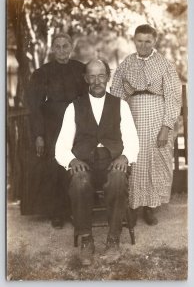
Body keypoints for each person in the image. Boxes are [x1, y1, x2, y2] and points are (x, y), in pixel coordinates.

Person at [55, 59, 139, 266]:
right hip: (85, 163)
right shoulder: (74, 107)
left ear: (108, 77)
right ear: (85, 79)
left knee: (119, 179)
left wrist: (125, 157)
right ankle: (87, 241)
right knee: (79, 181)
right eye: (91, 76)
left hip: (112, 162)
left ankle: (113, 241)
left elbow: (132, 140)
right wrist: (72, 160)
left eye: (101, 75)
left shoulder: (121, 105)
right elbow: (61, 146)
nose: (97, 80)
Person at [111, 24, 182, 226]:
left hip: (158, 118)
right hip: (132, 117)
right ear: (134, 40)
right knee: (134, 159)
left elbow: (173, 98)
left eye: (148, 41)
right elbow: (116, 93)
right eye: (139, 41)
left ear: (155, 41)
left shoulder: (165, 65)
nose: (143, 45)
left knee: (156, 160)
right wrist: (116, 122)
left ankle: (151, 207)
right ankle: (133, 206)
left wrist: (166, 128)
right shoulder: (126, 64)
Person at [27, 33, 88, 228]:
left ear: (71, 47)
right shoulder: (42, 73)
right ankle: (57, 213)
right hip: (51, 128)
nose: (62, 50)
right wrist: (39, 135)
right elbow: (35, 107)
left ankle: (74, 209)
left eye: (65, 46)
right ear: (53, 49)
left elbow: (89, 101)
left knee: (75, 164)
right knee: (54, 167)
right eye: (58, 46)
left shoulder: (81, 69)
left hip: (77, 125)